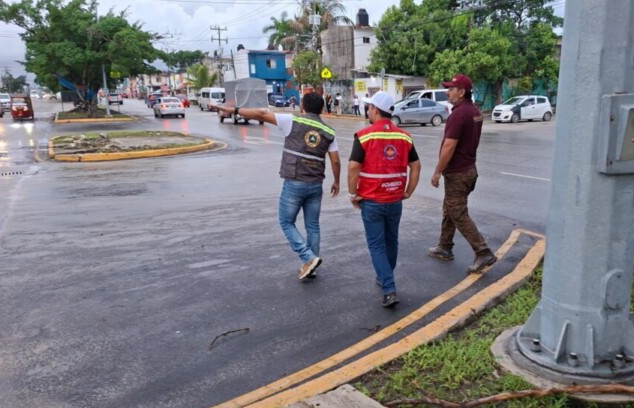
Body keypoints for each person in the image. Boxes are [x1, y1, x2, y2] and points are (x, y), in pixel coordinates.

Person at [213, 93, 340, 280]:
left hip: (295, 182)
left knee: (286, 222)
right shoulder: (328, 130)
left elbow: (262, 115)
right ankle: (311, 263)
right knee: (312, 225)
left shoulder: (292, 120)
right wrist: (337, 181)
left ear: (302, 107)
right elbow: (335, 161)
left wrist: (235, 110)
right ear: (322, 109)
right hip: (315, 184)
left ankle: (308, 257)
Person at [348, 92, 422, 308]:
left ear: (376, 110)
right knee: (392, 241)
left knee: (376, 245)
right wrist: (409, 191)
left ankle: (389, 289)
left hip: (372, 201)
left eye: (369, 107)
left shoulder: (364, 135)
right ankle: (384, 276)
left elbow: (353, 167)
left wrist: (353, 194)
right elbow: (415, 165)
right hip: (395, 200)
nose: (368, 111)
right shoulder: (404, 137)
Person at [427, 74, 497, 274]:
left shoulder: (459, 114)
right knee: (450, 207)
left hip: (458, 173)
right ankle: (445, 246)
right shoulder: (474, 111)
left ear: (462, 92)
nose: (448, 92)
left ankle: (483, 252)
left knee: (457, 212)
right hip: (469, 170)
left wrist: (437, 172)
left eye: (451, 89)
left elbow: (449, 146)